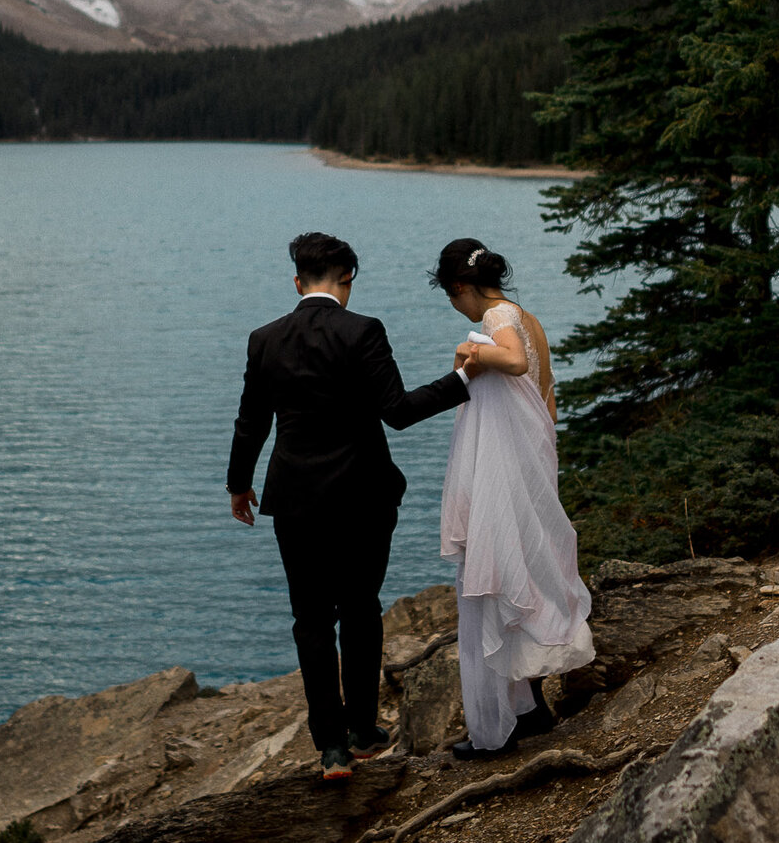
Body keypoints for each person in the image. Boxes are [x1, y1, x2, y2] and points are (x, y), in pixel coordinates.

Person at [230, 231, 475, 780]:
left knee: (311, 620)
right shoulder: (362, 331)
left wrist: (239, 485)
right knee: (361, 610)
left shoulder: (263, 339)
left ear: (297, 282)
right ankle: (364, 731)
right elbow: (399, 411)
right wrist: (464, 380)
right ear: (348, 281)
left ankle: (331, 749)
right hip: (362, 496)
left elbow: (252, 423)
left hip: (293, 500)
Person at [435, 237, 594, 757]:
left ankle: (502, 726)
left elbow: (518, 364)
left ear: (461, 286)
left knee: (501, 573)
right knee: (526, 566)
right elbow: (548, 390)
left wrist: (470, 350)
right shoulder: (528, 315)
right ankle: (531, 708)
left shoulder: (500, 315)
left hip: (510, 465)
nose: (455, 307)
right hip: (531, 456)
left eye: (451, 296)